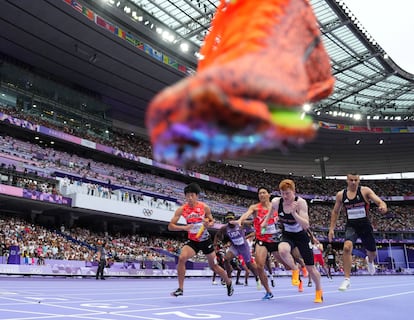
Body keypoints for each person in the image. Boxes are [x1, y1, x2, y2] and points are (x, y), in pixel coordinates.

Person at [168, 183, 234, 297]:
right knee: (182, 258)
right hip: (193, 241)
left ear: (197, 196)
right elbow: (170, 226)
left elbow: (212, 221)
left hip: (205, 241)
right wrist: (184, 227)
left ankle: (228, 282)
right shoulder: (181, 210)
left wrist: (208, 224)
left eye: (192, 195)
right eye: (187, 195)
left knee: (214, 266)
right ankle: (180, 288)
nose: (189, 198)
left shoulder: (204, 207)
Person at [328, 172, 387, 291]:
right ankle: (346, 279)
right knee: (346, 247)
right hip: (351, 226)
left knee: (372, 252)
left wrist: (382, 207)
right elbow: (335, 211)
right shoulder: (341, 195)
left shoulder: (365, 191)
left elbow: (380, 201)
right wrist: (331, 228)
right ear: (347, 180)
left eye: (356, 180)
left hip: (365, 225)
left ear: (359, 180)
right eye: (351, 180)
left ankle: (369, 261)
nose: (353, 182)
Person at [270, 179, 323, 303]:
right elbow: (270, 211)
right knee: (282, 250)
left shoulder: (301, 203)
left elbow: (306, 225)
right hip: (287, 235)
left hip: (301, 236)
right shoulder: (277, 202)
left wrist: (294, 213)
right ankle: (295, 269)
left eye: (287, 193)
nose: (285, 196)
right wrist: (266, 221)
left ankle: (319, 291)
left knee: (311, 268)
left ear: (293, 191)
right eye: (282, 193)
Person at [237, 187, 281, 300]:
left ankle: (297, 273)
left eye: (264, 193)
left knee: (286, 264)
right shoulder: (255, 207)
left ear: (269, 195)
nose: (261, 195)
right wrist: (240, 220)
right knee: (260, 266)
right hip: (262, 240)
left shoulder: (276, 206)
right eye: (260, 193)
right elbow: (247, 214)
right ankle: (268, 291)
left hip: (276, 239)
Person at [214, 211, 261, 289]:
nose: (229, 221)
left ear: (234, 219)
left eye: (231, 219)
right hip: (235, 247)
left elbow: (251, 222)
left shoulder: (240, 224)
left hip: (244, 247)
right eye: (228, 219)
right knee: (225, 259)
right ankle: (229, 279)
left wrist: (256, 217)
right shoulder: (225, 228)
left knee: (249, 264)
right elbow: (217, 235)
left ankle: (257, 278)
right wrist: (215, 245)